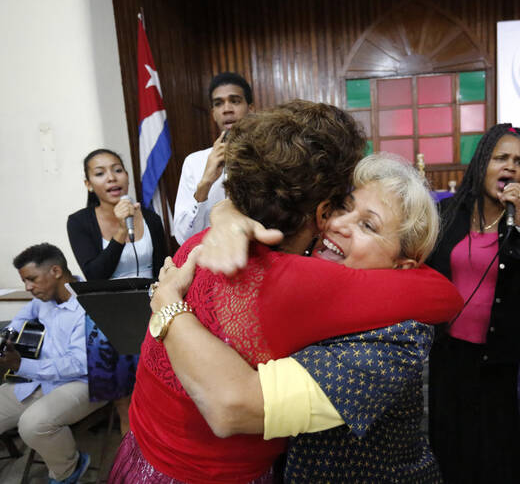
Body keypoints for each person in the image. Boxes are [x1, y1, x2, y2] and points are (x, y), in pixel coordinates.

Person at [109, 103, 462, 484]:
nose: (338, 224)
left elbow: (232, 406)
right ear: (314, 209)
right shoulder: (283, 266)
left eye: (368, 226)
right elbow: (445, 295)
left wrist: (168, 305)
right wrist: (225, 214)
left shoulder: (399, 331)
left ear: (404, 263)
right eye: (340, 206)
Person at [426, 123, 520, 483]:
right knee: (449, 439)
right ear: (482, 162)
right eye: (501, 158)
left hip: (498, 353)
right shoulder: (448, 212)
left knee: (495, 446)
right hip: (448, 350)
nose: (511, 167)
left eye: (519, 161)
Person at [0, 243, 105, 484]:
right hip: (38, 379)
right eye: (24, 281)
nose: (28, 287)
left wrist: (22, 364)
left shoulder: (90, 304)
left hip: (82, 382)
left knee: (33, 424)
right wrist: (6, 336)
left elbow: (78, 364)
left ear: (55, 271)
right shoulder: (43, 297)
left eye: (32, 279)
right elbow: (23, 316)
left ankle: (68, 470)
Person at [66, 148, 166, 435]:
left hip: (152, 315)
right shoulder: (79, 222)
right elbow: (95, 273)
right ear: (89, 184)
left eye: (117, 169)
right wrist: (121, 232)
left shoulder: (150, 217)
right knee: (128, 406)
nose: (111, 178)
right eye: (100, 173)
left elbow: (161, 269)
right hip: (108, 320)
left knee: (163, 398)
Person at [173, 72, 254, 245]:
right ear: (214, 113)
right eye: (219, 103)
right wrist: (205, 183)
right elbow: (183, 238)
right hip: (210, 260)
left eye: (235, 101)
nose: (227, 109)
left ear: (250, 108)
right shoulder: (194, 162)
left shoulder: (268, 155)